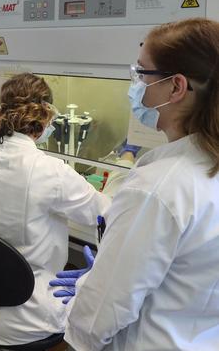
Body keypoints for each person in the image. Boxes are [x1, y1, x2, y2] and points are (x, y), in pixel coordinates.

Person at [57, 18, 219, 350]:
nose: (135, 85)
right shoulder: (203, 166)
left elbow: (97, 319)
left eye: (142, 74)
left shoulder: (156, 189)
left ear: (176, 87)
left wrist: (95, 289)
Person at [0, 72, 111, 347]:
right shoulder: (50, 170)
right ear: (43, 118)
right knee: (95, 301)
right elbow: (102, 213)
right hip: (26, 318)